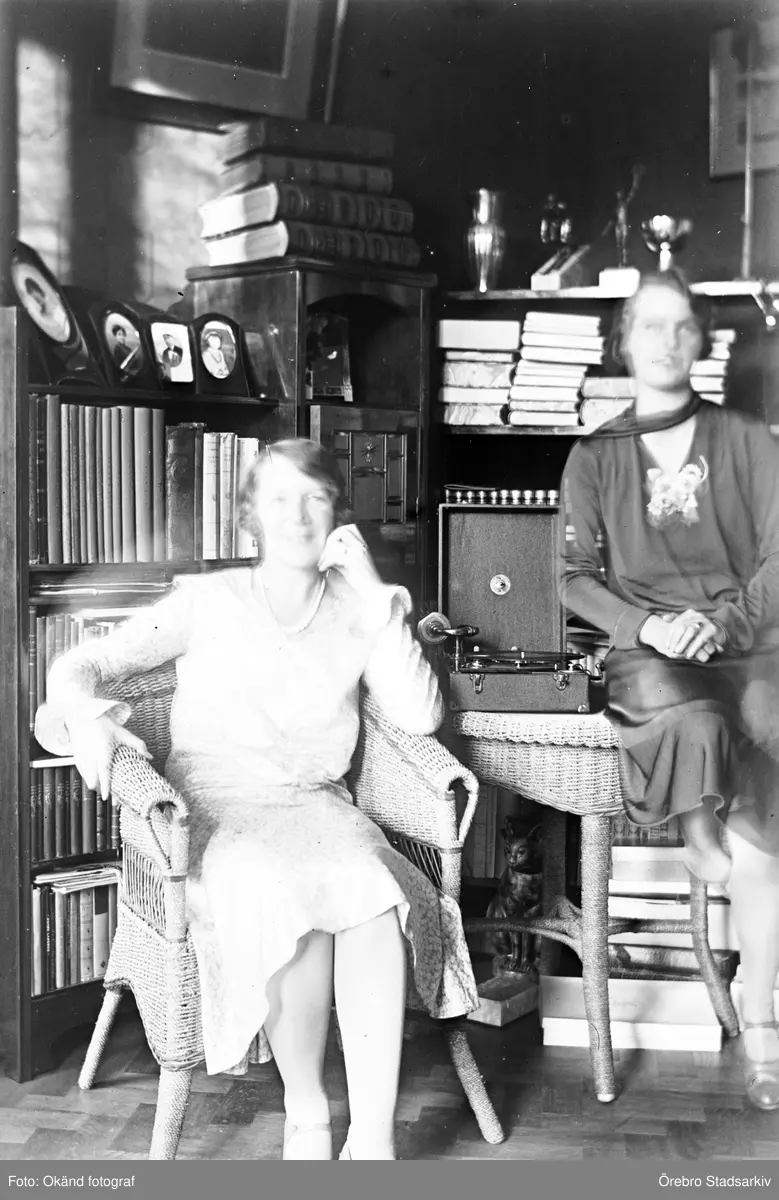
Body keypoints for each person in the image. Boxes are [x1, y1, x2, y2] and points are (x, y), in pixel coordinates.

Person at [34, 438, 479, 1161]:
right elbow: (87, 662)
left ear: (337, 514)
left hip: (317, 804)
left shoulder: (359, 608)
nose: (297, 515)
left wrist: (375, 594)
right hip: (216, 808)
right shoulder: (208, 600)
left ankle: (372, 1140)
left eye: (315, 497)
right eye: (279, 498)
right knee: (282, 892)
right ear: (251, 517)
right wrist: (85, 716)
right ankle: (309, 1114)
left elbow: (420, 718)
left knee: (371, 889)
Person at [558, 268, 779, 1112]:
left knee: (765, 779)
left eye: (682, 325)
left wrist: (722, 625)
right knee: (689, 713)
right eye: (648, 325)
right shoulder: (594, 455)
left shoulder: (746, 441)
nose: (665, 340)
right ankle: (697, 834)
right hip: (650, 653)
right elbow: (573, 579)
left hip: (743, 643)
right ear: (623, 341)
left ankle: (760, 1028)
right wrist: (650, 628)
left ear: (701, 341)